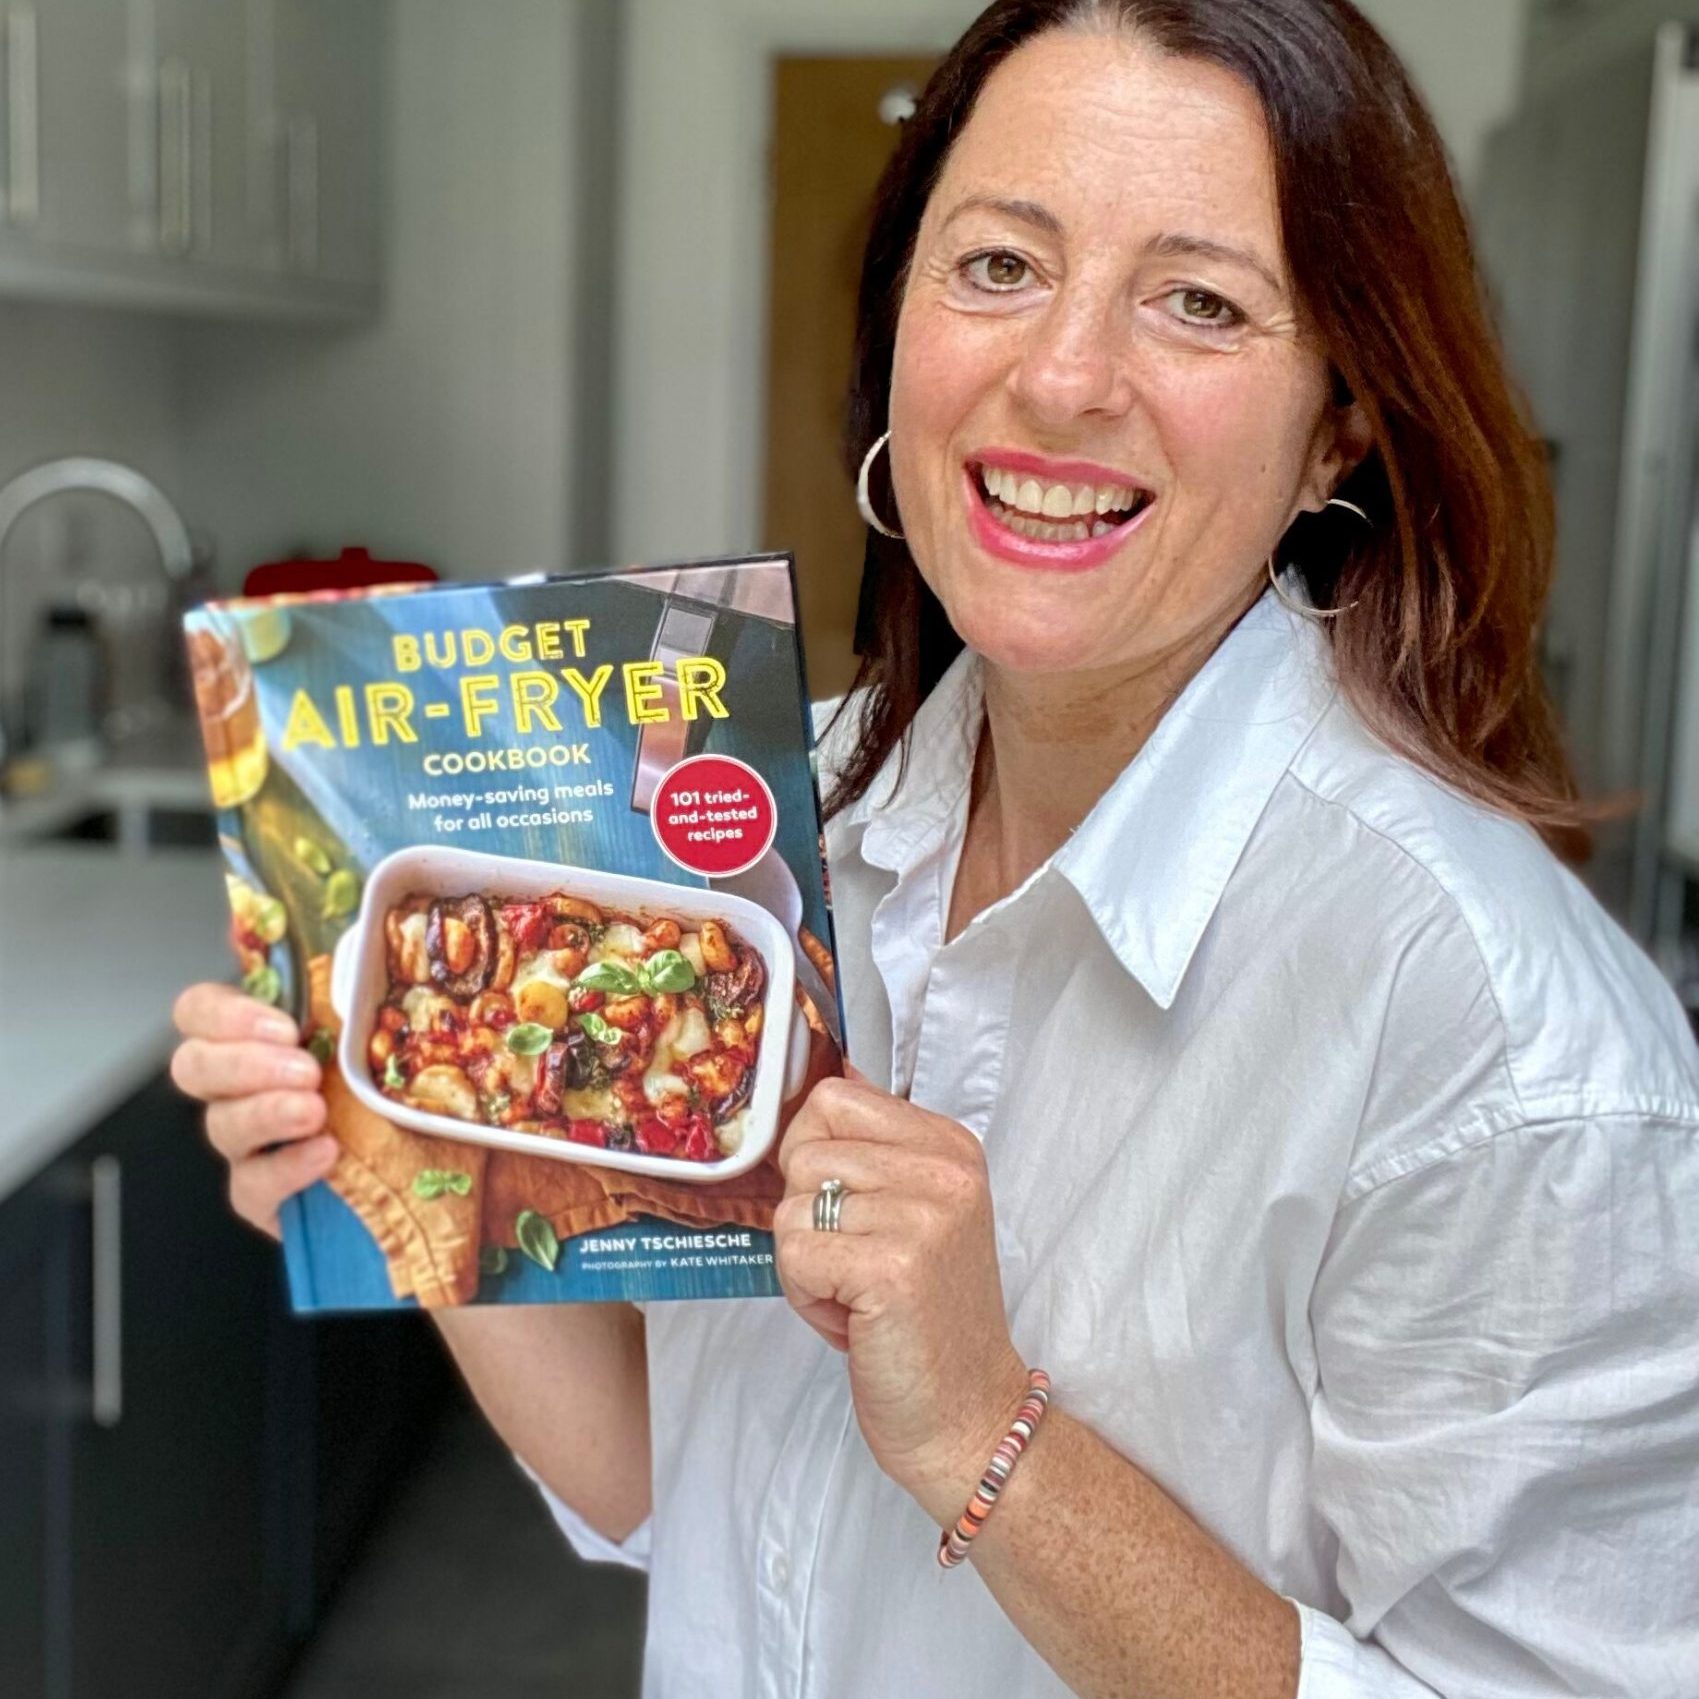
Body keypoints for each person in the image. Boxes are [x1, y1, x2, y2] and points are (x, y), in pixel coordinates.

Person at [170, 1, 1699, 1694]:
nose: (1060, 375)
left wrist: (985, 1430)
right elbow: (671, 1491)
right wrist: (408, 1167)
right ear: (898, 324)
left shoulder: (1504, 1048)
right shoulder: (783, 822)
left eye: (1199, 299)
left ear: (1341, 423)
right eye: (996, 266)